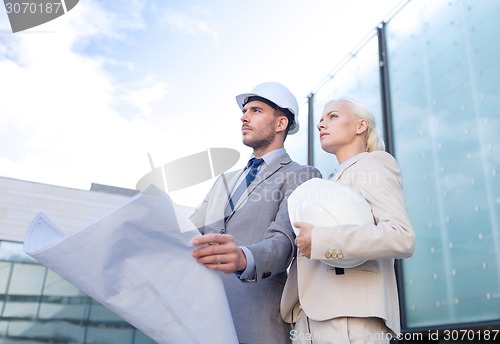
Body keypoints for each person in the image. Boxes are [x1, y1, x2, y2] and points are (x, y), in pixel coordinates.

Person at [190, 82, 322, 344]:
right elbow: (191, 230)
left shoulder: (301, 175)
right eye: (245, 111)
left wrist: (242, 258)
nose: (244, 116)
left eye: (256, 110)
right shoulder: (224, 181)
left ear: (280, 123)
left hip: (257, 319)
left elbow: (284, 242)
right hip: (205, 318)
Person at [280, 97, 416, 344]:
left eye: (332, 116)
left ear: (360, 126)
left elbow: (400, 236)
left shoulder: (375, 164)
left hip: (350, 321)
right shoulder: (333, 182)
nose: (322, 124)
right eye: (320, 120)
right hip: (311, 321)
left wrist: (321, 240)